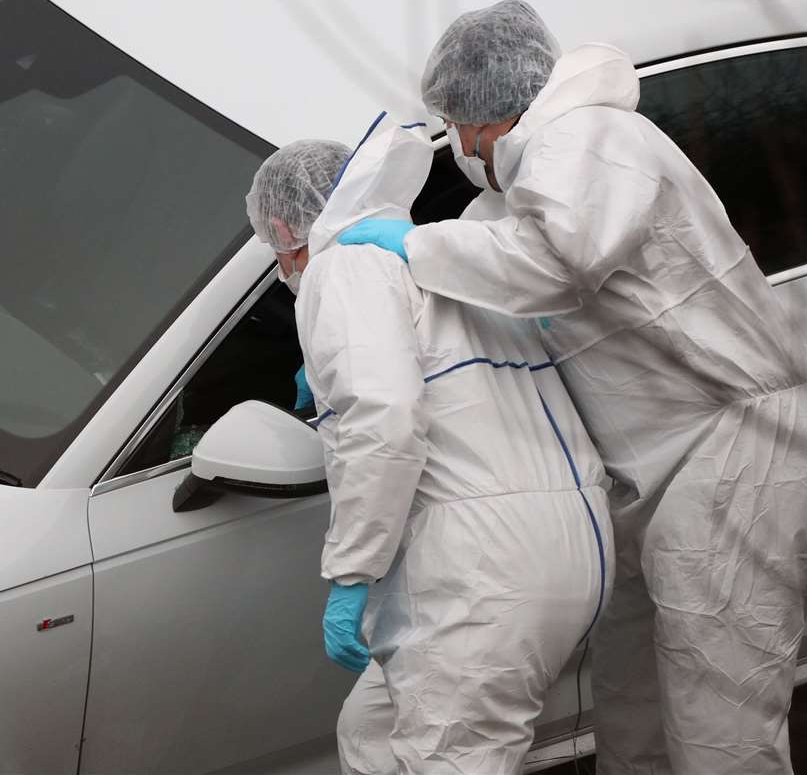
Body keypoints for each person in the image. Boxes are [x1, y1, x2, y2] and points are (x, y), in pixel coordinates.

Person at [341, 0, 807, 775]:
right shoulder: (524, 186)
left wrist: (416, 246)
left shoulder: (591, 137)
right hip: (651, 474)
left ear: (491, 113)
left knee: (720, 720)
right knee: (634, 709)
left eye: (457, 128)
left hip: (735, 456)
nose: (458, 147)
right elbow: (497, 283)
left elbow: (553, 265)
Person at [246, 118, 611, 775]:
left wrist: (352, 573)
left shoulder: (342, 267)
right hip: (573, 544)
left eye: (274, 254)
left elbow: (383, 420)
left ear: (283, 233)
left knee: (452, 759)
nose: (281, 273)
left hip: (481, 575)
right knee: (371, 731)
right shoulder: (440, 252)